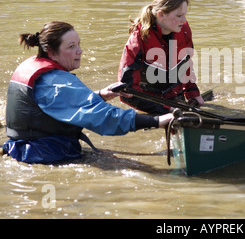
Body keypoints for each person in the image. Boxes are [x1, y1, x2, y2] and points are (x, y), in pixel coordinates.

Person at [1, 21, 173, 164]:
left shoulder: (35, 66)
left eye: (78, 44)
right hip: (48, 154)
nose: (80, 51)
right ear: (52, 53)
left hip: (26, 149)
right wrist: (158, 120)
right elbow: (106, 118)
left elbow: (56, 104)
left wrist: (100, 95)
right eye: (71, 46)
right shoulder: (56, 82)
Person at [118, 0, 204, 115]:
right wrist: (166, 110)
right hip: (149, 103)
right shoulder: (138, 40)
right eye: (179, 16)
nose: (184, 20)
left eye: (185, 15)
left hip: (175, 99)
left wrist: (192, 93)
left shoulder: (184, 30)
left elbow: (185, 63)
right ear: (161, 15)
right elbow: (126, 92)